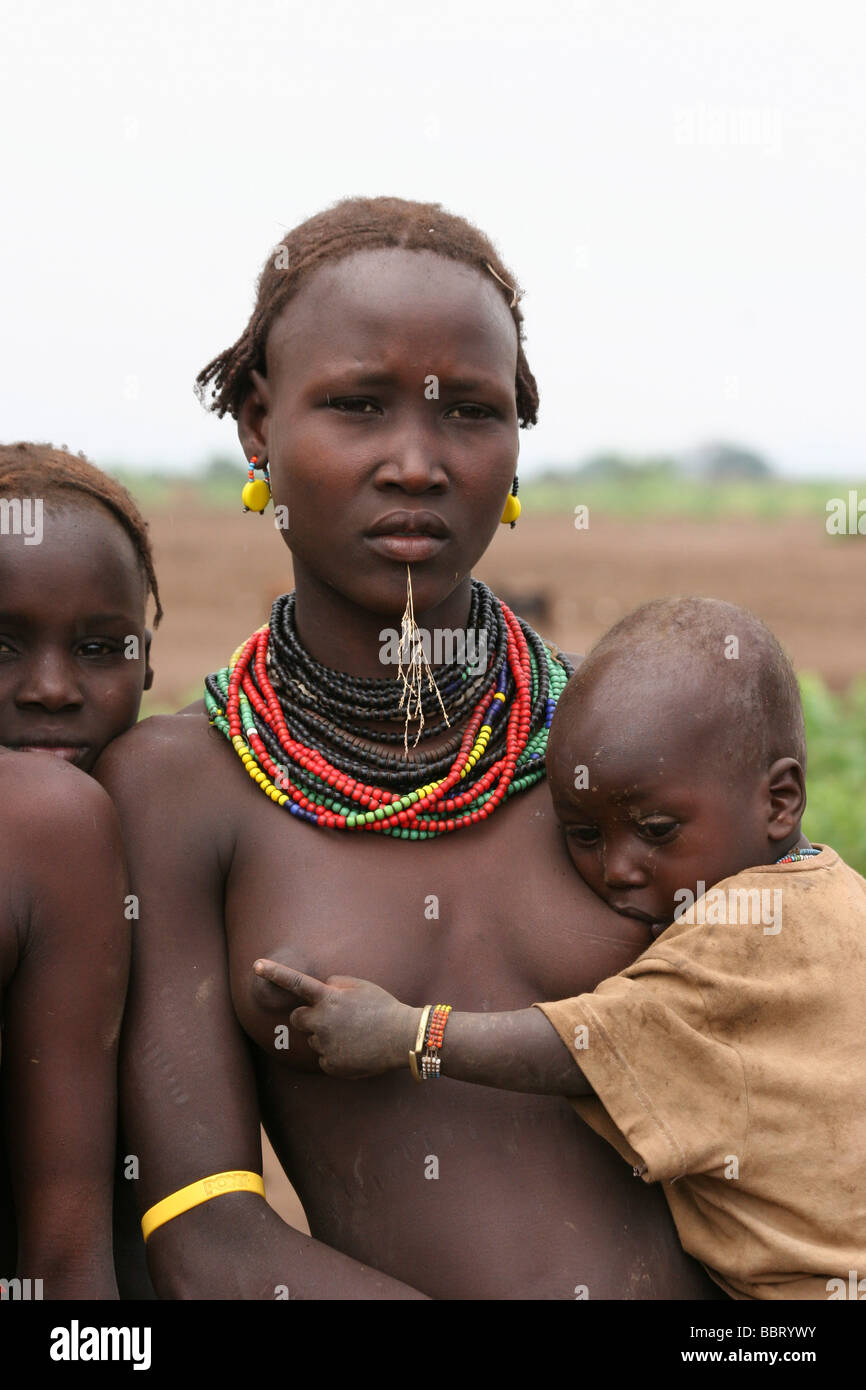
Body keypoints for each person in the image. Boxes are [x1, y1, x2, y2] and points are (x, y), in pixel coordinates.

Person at [97, 197, 722, 1299]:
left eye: (469, 413)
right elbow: (206, 1238)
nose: (416, 462)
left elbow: (801, 1062)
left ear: (518, 443)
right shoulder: (178, 789)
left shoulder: (630, 740)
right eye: (356, 406)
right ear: (256, 423)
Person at [258, 598, 866, 1301]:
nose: (620, 868)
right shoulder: (836, 895)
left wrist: (408, 1034)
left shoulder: (739, 932)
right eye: (584, 836)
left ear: (780, 801)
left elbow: (583, 1046)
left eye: (657, 829)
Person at [0, 442, 161, 1298]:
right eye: (2, 645)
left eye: (101, 650)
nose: (53, 688)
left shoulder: (175, 830)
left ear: (148, 659)